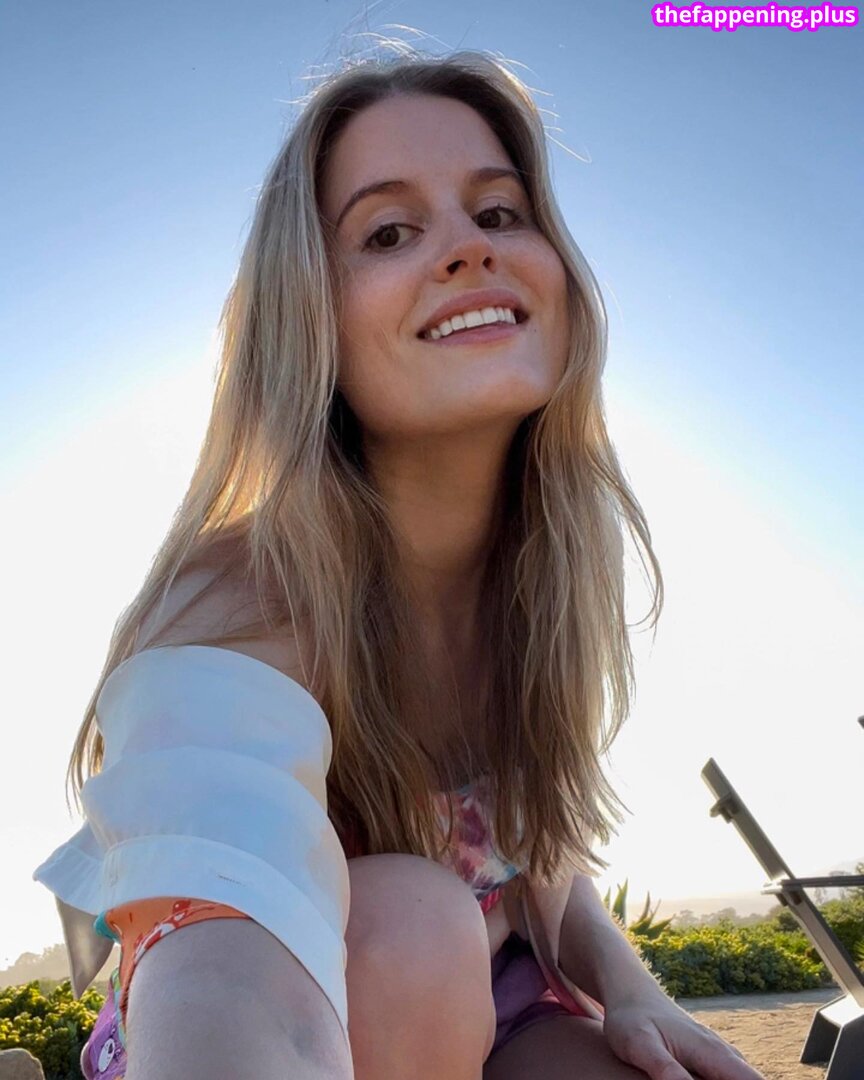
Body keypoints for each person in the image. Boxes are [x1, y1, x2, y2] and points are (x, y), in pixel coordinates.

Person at [33, 43, 764, 1080]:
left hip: (501, 1000)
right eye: (388, 231)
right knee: (416, 924)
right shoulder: (235, 608)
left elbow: (533, 856)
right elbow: (224, 975)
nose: (468, 250)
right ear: (311, 320)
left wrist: (634, 989)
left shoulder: (546, 581)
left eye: (500, 212)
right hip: (327, 1004)